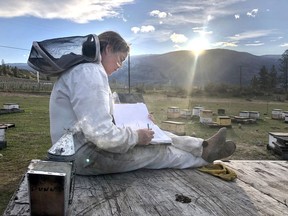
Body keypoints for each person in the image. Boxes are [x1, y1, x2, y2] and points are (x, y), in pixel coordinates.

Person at [49, 31, 236, 175]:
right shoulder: (90, 72)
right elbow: (103, 135)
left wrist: (139, 119)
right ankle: (204, 160)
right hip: (81, 156)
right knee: (158, 151)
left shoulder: (84, 72)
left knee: (157, 135)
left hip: (81, 147)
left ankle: (202, 147)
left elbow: (100, 118)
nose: (119, 66)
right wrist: (136, 137)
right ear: (107, 49)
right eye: (120, 59)